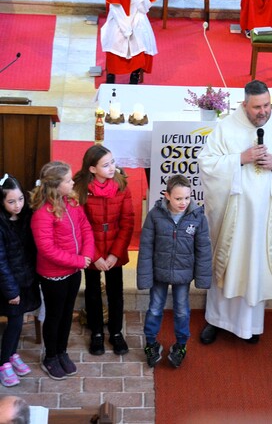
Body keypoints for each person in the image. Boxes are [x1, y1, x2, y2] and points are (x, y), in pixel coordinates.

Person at [198, 79, 272, 344]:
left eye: (267, 105)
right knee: (228, 264)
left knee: (255, 267)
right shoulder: (226, 127)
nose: (264, 112)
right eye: (257, 107)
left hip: (264, 220)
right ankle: (217, 320)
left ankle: (250, 325)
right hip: (233, 218)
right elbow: (206, 162)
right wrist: (240, 159)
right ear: (245, 104)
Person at [137, 175, 212, 368]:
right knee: (155, 308)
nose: (183, 202)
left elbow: (203, 249)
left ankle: (180, 345)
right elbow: (146, 247)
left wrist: (203, 279)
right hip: (159, 272)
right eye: (178, 198)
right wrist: (145, 277)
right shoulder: (154, 215)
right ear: (167, 195)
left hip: (183, 274)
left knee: (181, 311)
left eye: (187, 198)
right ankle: (151, 343)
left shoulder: (197, 217)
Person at [30, 161, 94, 381]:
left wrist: (86, 255)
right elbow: (46, 249)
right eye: (68, 180)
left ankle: (62, 351)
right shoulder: (42, 213)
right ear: (56, 185)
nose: (72, 182)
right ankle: (50, 357)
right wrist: (78, 260)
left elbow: (85, 228)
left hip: (74, 270)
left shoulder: (72, 202)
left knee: (67, 314)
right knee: (55, 316)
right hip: (54, 276)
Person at [73, 145, 134, 357]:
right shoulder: (80, 189)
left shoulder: (121, 184)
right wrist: (95, 256)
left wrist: (115, 253)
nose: (112, 168)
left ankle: (116, 332)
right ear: (92, 169)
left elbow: (128, 221)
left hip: (115, 246)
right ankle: (97, 332)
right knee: (92, 291)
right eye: (106, 165)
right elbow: (81, 226)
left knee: (116, 291)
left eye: (112, 162)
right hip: (92, 248)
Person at [0, 175, 41, 388]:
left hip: (25, 279)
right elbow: (1, 263)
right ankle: (3, 363)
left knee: (19, 319)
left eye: (20, 199)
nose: (17, 205)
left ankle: (12, 354)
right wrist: (11, 291)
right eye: (11, 201)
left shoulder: (26, 216)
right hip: (8, 285)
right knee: (15, 322)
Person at [101, 0, 157, 85]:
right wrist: (125, 26)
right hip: (120, 20)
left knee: (140, 42)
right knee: (115, 42)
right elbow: (115, 9)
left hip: (138, 19)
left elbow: (145, 8)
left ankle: (135, 75)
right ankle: (111, 75)